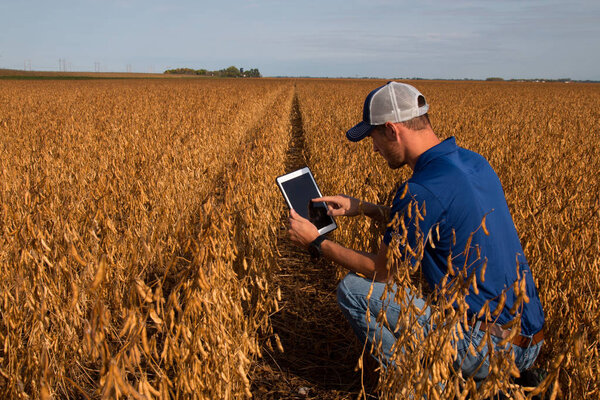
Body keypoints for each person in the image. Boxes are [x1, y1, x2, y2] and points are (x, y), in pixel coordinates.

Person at [287, 81, 545, 381]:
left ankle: (413, 387)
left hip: (485, 348)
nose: (374, 149)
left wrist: (317, 242)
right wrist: (365, 208)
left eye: (374, 138)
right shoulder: (474, 163)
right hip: (529, 340)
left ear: (393, 130)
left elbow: (382, 272)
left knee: (352, 290)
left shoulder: (420, 190)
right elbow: (439, 223)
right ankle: (510, 382)